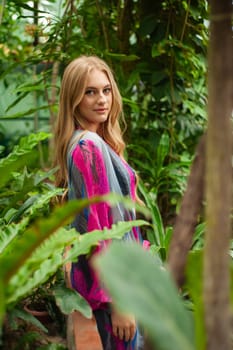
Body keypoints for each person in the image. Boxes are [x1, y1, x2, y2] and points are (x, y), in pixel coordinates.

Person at [54, 55, 144, 350]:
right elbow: (100, 232)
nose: (101, 99)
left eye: (106, 90)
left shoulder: (91, 142)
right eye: (90, 92)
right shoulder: (87, 147)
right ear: (74, 99)